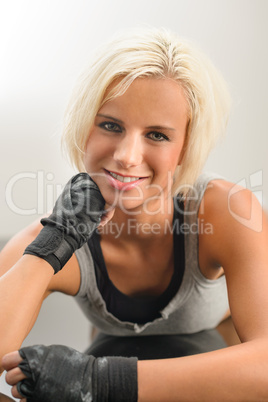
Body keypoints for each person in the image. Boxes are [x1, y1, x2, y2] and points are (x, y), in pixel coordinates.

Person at [1, 27, 268, 401]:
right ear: (84, 128)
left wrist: (101, 381)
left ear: (185, 148)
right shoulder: (54, 237)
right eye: (110, 125)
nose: (127, 155)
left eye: (157, 135)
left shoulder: (226, 211)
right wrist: (52, 245)